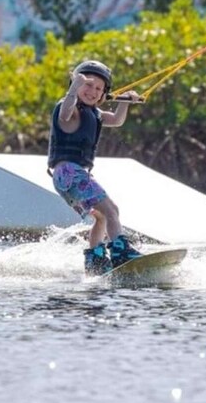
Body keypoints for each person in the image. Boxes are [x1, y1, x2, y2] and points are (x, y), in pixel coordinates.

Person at [47, 60, 143, 275]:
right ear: (76, 84)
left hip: (66, 179)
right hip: (70, 173)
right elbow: (64, 113)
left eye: (99, 89)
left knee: (100, 216)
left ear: (103, 95)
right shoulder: (69, 110)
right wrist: (74, 87)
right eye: (87, 85)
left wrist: (126, 101)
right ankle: (121, 250)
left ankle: (96, 260)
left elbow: (117, 120)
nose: (92, 91)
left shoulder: (96, 114)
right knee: (112, 210)